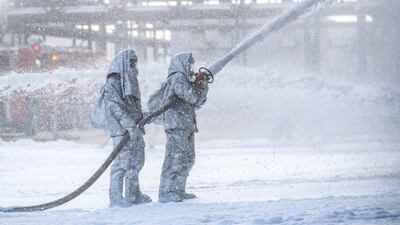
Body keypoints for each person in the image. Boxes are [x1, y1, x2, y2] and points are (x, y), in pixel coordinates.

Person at [157, 52, 209, 202]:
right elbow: (191, 97)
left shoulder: (185, 80)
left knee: (188, 158)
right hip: (177, 125)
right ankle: (167, 193)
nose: (191, 68)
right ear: (181, 63)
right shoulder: (177, 78)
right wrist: (198, 85)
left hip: (186, 125)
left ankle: (178, 190)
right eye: (189, 64)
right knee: (175, 159)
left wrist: (202, 85)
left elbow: (197, 102)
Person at [102, 49, 151, 207]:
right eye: (131, 62)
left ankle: (133, 194)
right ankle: (116, 198)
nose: (133, 66)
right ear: (123, 63)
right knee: (121, 164)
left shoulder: (130, 81)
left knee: (136, 161)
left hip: (133, 130)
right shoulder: (114, 81)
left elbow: (132, 107)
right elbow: (114, 106)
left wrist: (142, 117)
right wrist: (130, 126)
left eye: (134, 62)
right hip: (122, 130)